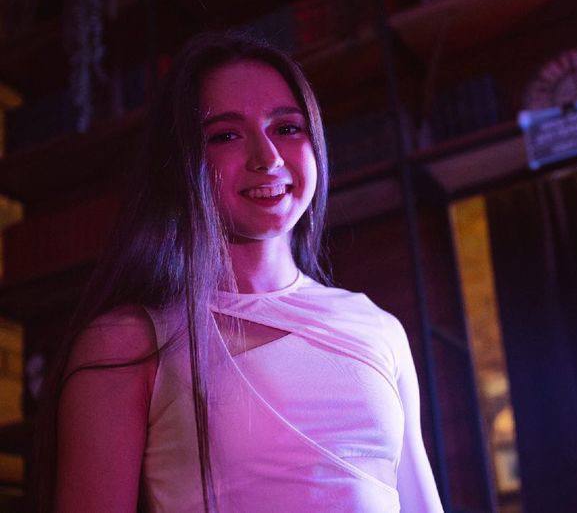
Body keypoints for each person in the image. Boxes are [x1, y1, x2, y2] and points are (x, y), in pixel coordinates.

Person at [34, 32, 445, 513]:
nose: (268, 158)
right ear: (180, 162)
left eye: (287, 128)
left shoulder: (377, 327)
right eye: (226, 135)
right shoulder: (128, 342)